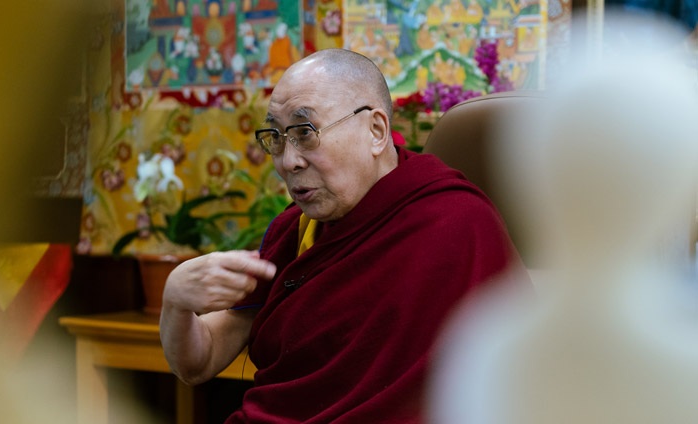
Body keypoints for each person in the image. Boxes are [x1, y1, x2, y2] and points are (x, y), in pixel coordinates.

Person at [160, 48, 526, 423]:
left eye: (305, 133)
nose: (289, 161)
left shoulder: (457, 226)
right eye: (276, 137)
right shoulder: (296, 232)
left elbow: (516, 385)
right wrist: (176, 302)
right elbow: (198, 363)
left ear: (376, 131)